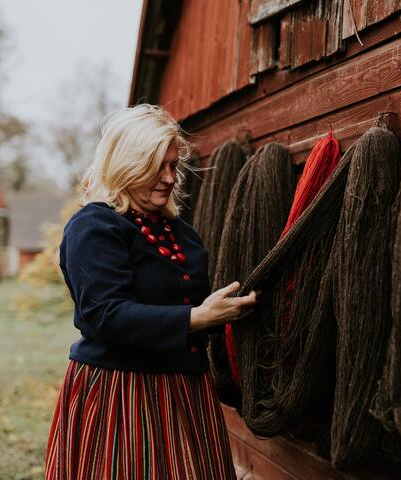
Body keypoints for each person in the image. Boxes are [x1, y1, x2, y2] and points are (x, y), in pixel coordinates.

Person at [44, 103, 256, 479]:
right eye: (159, 166)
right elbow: (104, 315)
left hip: (185, 392)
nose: (170, 177)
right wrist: (198, 317)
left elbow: (189, 302)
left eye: (174, 165)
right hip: (122, 395)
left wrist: (218, 312)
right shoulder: (94, 226)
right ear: (127, 163)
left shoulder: (178, 231)